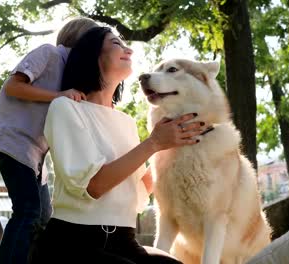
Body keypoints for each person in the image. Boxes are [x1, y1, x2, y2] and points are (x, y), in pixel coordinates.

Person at [31, 27, 207, 264]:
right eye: (116, 43)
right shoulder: (65, 108)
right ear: (93, 56)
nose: (129, 49)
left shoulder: (126, 122)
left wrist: (178, 147)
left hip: (125, 241)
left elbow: (137, 190)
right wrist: (154, 142)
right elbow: (95, 185)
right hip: (72, 243)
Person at [0, 17, 99, 264]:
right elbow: (13, 87)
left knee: (43, 215)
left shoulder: (71, 76)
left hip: (36, 157)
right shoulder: (49, 53)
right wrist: (58, 95)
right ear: (82, 40)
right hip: (14, 141)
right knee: (27, 211)